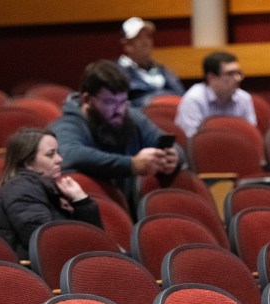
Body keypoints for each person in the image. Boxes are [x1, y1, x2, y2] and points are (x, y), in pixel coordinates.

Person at [50, 59, 182, 200]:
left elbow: (168, 143)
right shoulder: (67, 124)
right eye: (110, 102)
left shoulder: (130, 116)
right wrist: (131, 164)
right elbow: (71, 155)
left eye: (123, 101)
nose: (119, 110)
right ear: (87, 99)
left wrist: (173, 156)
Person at [0, 128, 102, 259]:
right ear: (29, 163)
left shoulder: (44, 188)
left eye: (58, 153)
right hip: (43, 270)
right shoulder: (21, 188)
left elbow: (93, 237)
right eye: (50, 154)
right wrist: (81, 203)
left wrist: (80, 201)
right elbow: (47, 241)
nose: (59, 159)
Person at [175, 51, 256, 138]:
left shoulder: (244, 98)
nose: (238, 78)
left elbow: (250, 135)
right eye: (230, 74)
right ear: (211, 77)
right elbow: (192, 141)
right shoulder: (194, 99)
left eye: (238, 73)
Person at [117, 17, 185, 108]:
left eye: (147, 36)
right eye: (138, 37)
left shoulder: (162, 69)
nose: (145, 42)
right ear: (126, 45)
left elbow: (181, 95)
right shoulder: (117, 72)